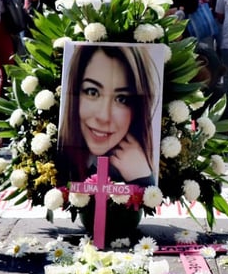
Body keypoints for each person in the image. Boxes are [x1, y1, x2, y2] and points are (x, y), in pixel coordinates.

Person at [57, 44, 162, 187]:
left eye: (122, 99)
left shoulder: (146, 165)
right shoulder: (50, 158)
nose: (104, 116)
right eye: (92, 92)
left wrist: (142, 178)